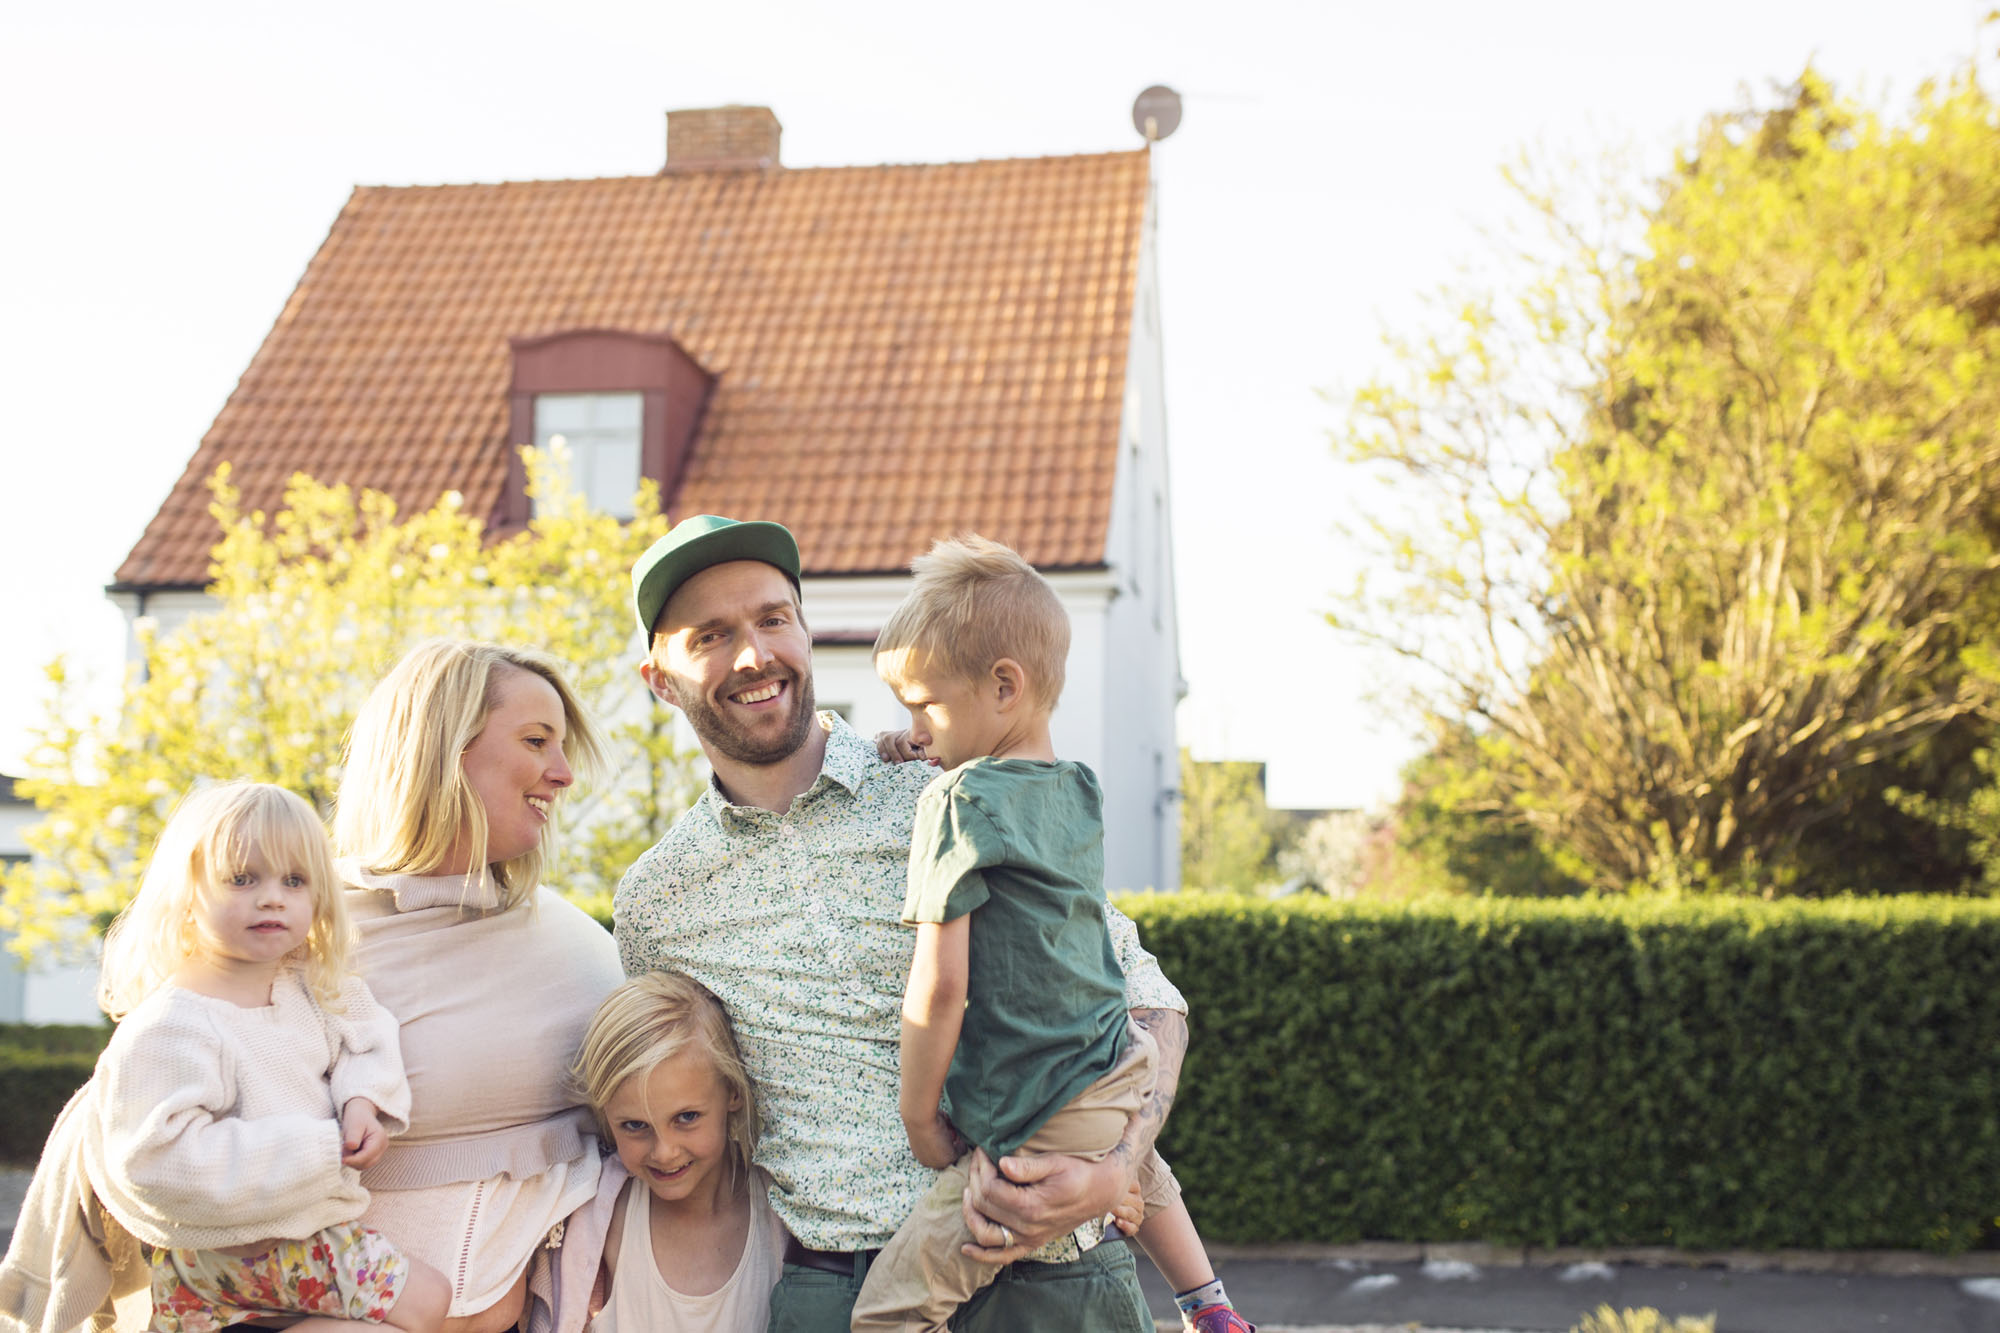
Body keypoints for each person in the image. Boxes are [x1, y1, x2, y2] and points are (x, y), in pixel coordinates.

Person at [614, 515, 1190, 1332]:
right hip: (845, 1292)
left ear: (805, 632)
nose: (754, 654)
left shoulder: (954, 786)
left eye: (774, 618)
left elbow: (1146, 997)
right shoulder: (657, 904)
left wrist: (1117, 1167)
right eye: (712, 635)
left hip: (1057, 1275)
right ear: (659, 677)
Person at [850, 537, 1250, 1333]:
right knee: (1141, 1166)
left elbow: (941, 984)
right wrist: (923, 743)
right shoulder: (1077, 789)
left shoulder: (956, 802)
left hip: (1033, 1114)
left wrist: (920, 1115)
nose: (913, 728)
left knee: (887, 1315)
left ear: (1004, 685)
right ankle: (1210, 1306)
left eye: (923, 706)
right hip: (1113, 1063)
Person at [332, 640, 626, 1333]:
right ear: (446, 747)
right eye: (535, 741)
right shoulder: (304, 936)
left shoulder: (582, 948)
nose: (562, 774)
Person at [93, 781, 450, 1333]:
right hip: (220, 1255)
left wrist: (361, 1100)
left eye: (294, 880)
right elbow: (157, 1161)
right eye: (242, 879)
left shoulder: (311, 987)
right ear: (187, 892)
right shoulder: (174, 1024)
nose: (272, 897)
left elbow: (367, 1037)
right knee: (428, 1300)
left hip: (296, 1236)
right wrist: (321, 1146)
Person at [570, 973, 786, 1333]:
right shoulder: (605, 1220)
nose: (665, 1152)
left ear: (732, 1091)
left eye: (686, 1117)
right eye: (635, 1126)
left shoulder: (779, 1213)